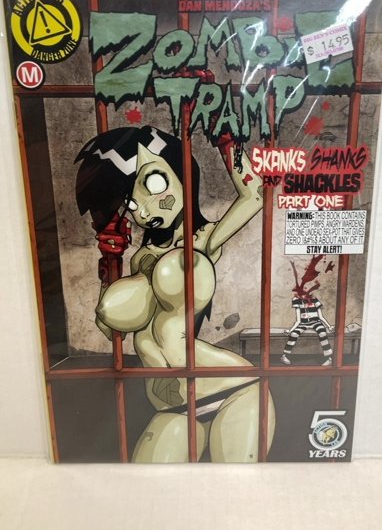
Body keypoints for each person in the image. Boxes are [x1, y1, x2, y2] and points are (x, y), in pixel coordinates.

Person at [76, 125, 275, 462]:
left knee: (237, 485)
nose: (143, 209)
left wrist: (227, 142)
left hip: (233, 389)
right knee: (148, 485)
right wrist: (110, 262)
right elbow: (110, 328)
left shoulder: (202, 240)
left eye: (154, 183)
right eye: (131, 201)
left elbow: (255, 195)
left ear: (183, 176)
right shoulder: (140, 259)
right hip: (174, 405)